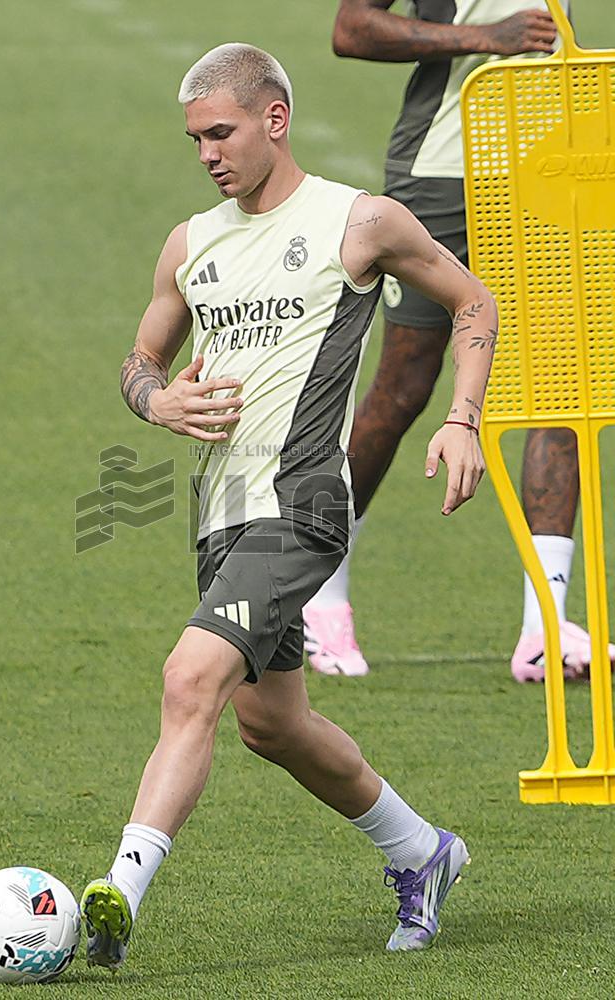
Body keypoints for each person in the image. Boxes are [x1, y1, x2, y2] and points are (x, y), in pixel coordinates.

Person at [80, 42, 497, 971]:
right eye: (195, 139)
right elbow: (140, 361)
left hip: (303, 504)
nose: (207, 154)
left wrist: (461, 419)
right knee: (272, 724)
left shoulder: (360, 222)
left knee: (190, 678)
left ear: (275, 119)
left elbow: (474, 302)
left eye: (221, 132)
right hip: (220, 514)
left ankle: (116, 898)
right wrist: (157, 401)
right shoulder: (192, 244)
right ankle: (422, 851)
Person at [304, 0, 615, 682]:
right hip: (445, 171)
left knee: (560, 383)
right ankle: (319, 598)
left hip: (553, 170)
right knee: (405, 384)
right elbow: (351, 27)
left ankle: (545, 626)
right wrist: (485, 39)